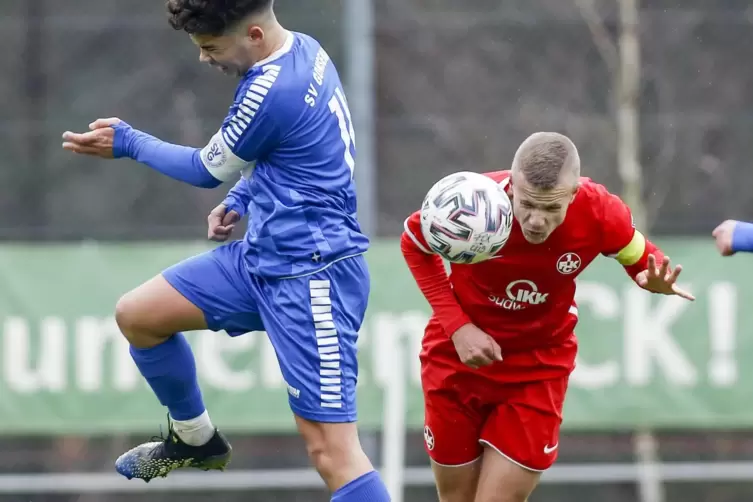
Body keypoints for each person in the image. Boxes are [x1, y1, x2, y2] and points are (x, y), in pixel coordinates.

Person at [61, 1, 391, 499]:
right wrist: (241, 196)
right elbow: (297, 153)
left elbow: (202, 168)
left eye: (211, 47)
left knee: (332, 453)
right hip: (262, 258)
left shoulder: (270, 90)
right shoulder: (305, 50)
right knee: (139, 315)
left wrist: (128, 141)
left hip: (313, 277)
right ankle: (196, 441)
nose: (204, 59)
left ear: (253, 34)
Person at [400, 132, 695, 502]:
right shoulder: (475, 200)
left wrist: (653, 279)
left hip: (537, 367)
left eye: (551, 209)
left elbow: (640, 257)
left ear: (574, 193)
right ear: (511, 185)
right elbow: (414, 242)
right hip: (457, 358)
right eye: (526, 204)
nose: (536, 221)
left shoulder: (601, 212)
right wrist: (458, 327)